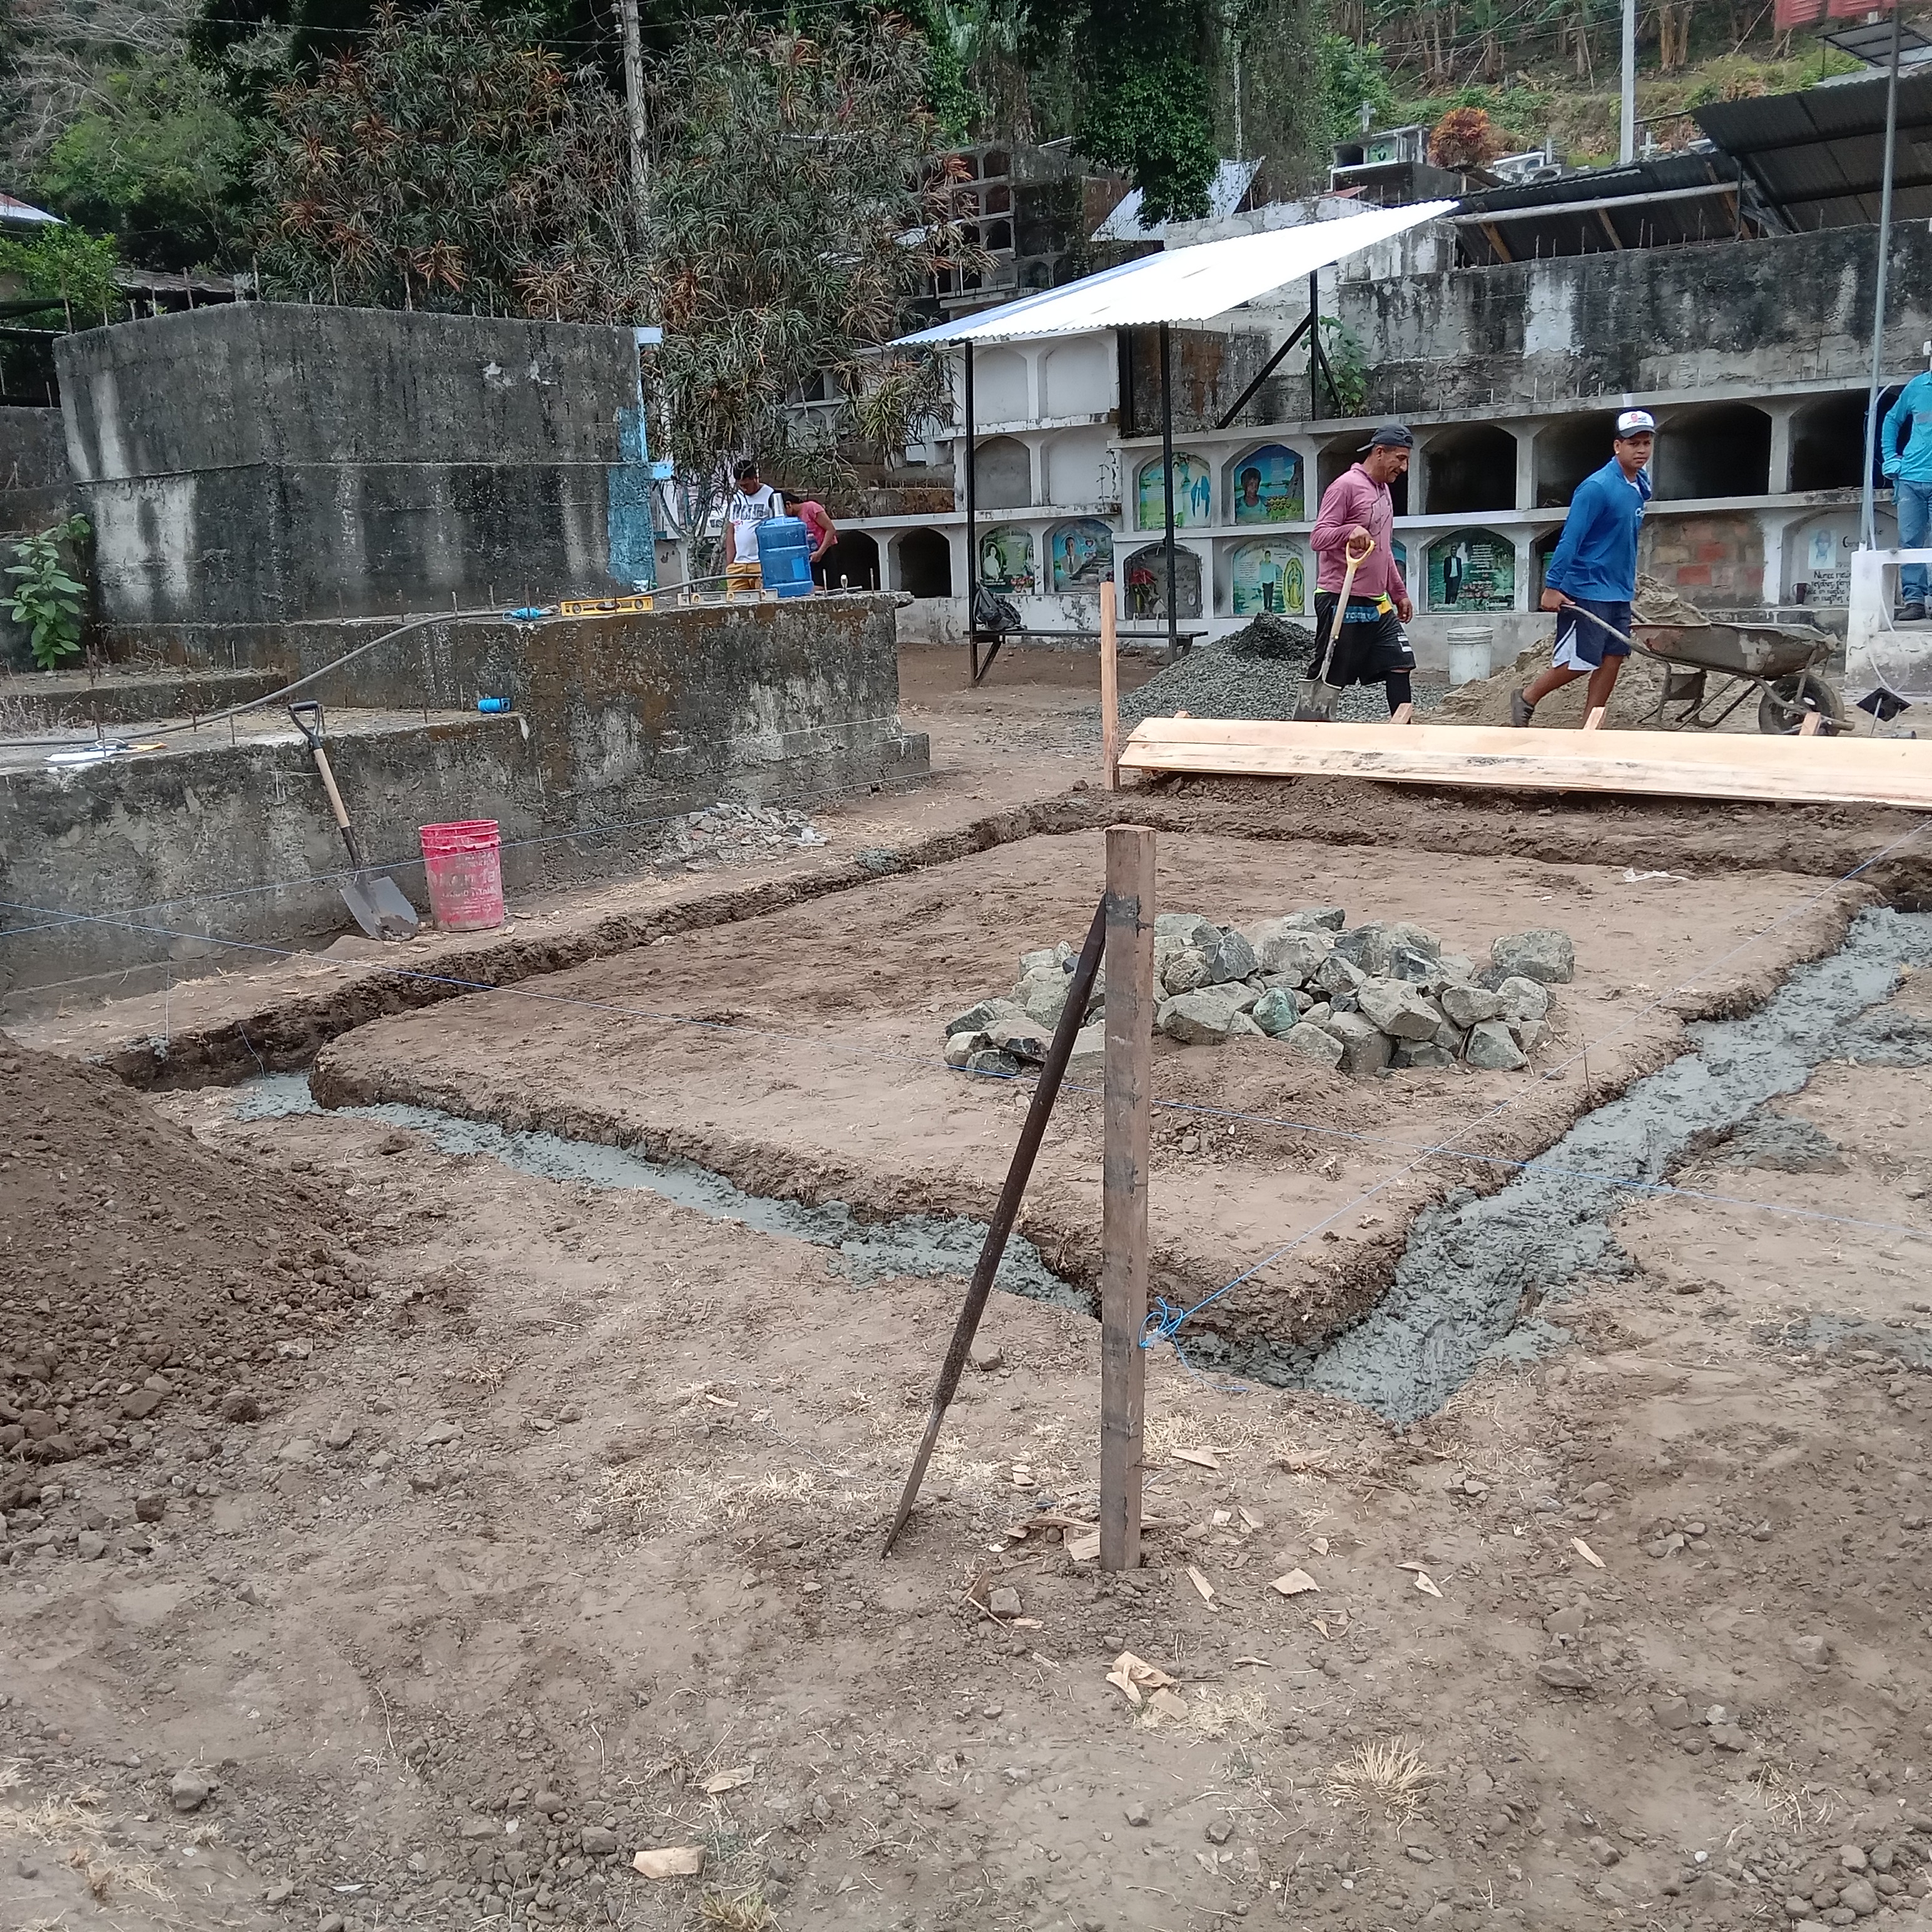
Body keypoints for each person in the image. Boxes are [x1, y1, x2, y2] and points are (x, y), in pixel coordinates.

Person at [1512, 409, 1655, 728]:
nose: (1641, 450)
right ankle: (1528, 696)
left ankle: (1592, 725)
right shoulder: (1596, 488)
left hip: (1618, 588)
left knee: (1614, 657)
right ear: (1617, 446)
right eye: (1633, 443)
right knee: (1581, 660)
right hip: (1587, 586)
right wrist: (1552, 586)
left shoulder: (1639, 484)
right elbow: (1571, 538)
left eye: (1646, 443)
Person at [1306, 424, 1416, 716]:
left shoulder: (1384, 492)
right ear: (1379, 452)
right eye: (1400, 459)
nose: (1404, 468)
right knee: (1331, 673)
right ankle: (1310, 728)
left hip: (1377, 602)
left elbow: (1383, 549)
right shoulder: (1345, 486)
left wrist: (1399, 593)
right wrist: (1348, 531)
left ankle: (1404, 733)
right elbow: (1318, 538)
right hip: (1341, 597)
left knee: (1400, 661)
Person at [1883, 358, 1932, 622]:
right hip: (1911, 478)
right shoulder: (1917, 386)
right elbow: (1892, 420)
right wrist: (1890, 457)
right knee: (1910, 540)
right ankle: (1914, 601)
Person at [721, 458, 782, 597]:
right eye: (740, 485)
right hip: (739, 565)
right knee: (735, 603)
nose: (744, 489)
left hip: (761, 563)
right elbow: (732, 530)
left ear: (755, 478)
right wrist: (730, 564)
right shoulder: (737, 498)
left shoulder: (770, 495)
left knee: (765, 600)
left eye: (746, 485)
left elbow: (777, 529)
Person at [781, 490, 839, 585]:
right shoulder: (793, 519)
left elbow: (830, 529)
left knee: (825, 584)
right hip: (808, 557)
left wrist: (820, 552)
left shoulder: (811, 508)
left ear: (789, 505)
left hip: (824, 552)